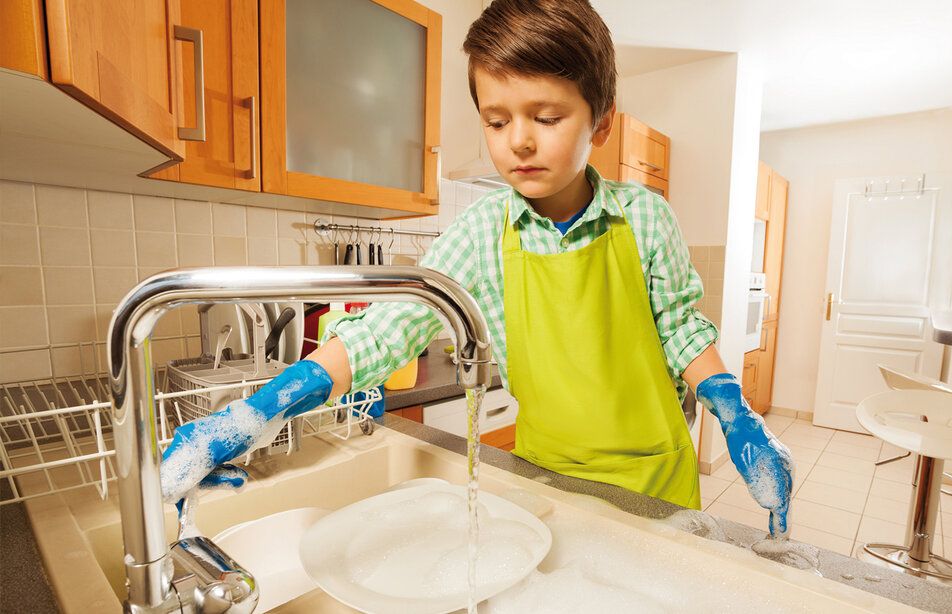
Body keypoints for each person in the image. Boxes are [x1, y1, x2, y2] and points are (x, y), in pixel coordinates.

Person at [160, 0, 794, 536]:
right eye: (496, 120)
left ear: (599, 124)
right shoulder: (479, 235)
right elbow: (386, 331)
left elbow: (681, 331)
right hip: (549, 480)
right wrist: (252, 414)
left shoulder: (646, 218)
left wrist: (738, 415)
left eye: (546, 118)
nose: (518, 140)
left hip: (655, 482)